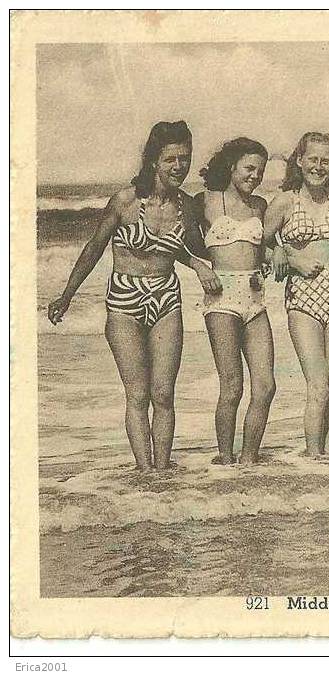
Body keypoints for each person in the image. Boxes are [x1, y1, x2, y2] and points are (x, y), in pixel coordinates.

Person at [46, 121, 221, 471]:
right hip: (124, 302)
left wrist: (200, 265)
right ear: (154, 160)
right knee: (138, 395)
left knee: (164, 395)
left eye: (184, 159)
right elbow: (95, 247)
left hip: (166, 298)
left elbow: (189, 249)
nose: (179, 167)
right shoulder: (126, 201)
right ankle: (146, 474)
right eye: (171, 159)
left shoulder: (186, 206)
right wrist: (67, 295)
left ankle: (162, 472)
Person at [264, 131, 329, 456]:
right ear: (299, 161)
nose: (318, 166)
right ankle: (312, 460)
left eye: (326, 161)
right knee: (316, 385)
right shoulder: (285, 202)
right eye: (312, 159)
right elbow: (259, 243)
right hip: (303, 296)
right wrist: (285, 254)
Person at [196, 137, 276, 464]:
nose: (255, 176)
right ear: (231, 166)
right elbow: (180, 243)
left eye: (260, 170)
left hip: (255, 298)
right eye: (249, 168)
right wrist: (200, 267)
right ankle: (225, 460)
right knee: (232, 386)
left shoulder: (260, 206)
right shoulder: (206, 200)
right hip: (222, 298)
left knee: (266, 386)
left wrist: (272, 261)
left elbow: (265, 250)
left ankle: (248, 461)